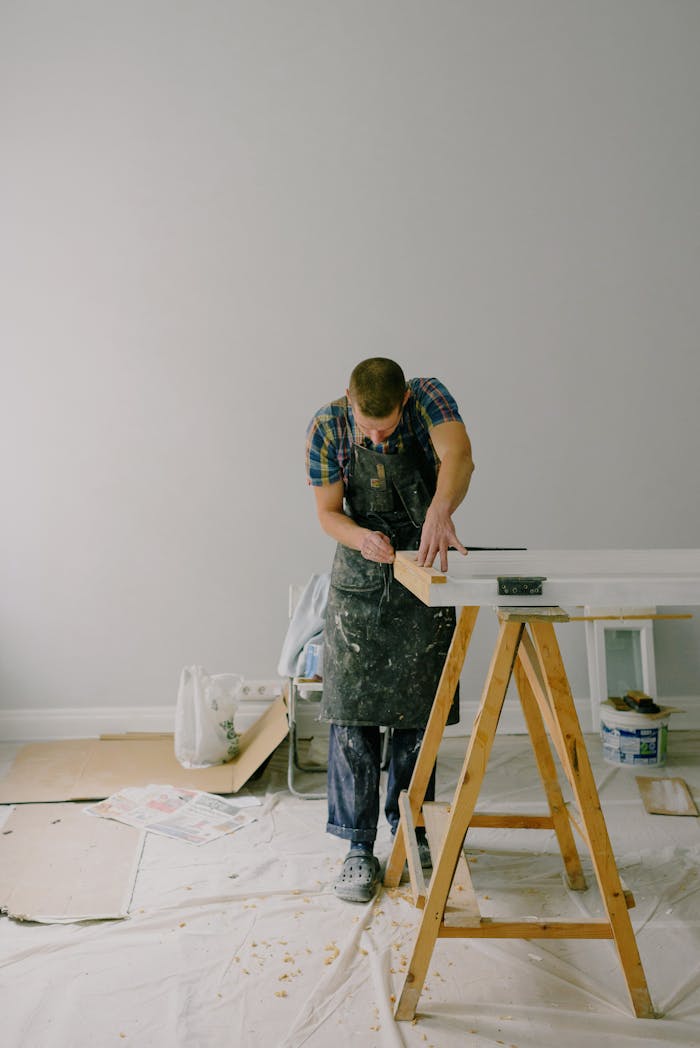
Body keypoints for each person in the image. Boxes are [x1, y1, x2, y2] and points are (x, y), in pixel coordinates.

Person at [305, 358, 474, 903]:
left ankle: (411, 828)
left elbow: (459, 456)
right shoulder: (328, 425)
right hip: (360, 568)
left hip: (424, 559)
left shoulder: (428, 398)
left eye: (386, 426)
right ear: (348, 400)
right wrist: (360, 539)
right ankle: (357, 847)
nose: (376, 437)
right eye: (366, 427)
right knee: (352, 712)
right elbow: (328, 512)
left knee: (417, 709)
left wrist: (440, 511)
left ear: (404, 399)